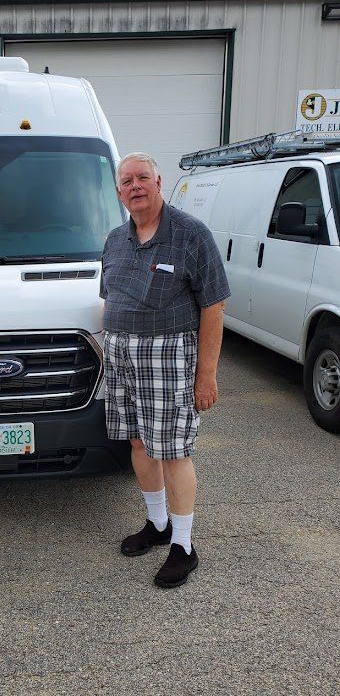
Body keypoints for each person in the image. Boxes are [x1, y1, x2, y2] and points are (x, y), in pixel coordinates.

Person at [100, 153, 230, 587]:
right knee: (139, 441)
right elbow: (110, 297)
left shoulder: (191, 235)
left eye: (142, 178)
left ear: (159, 181)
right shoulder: (115, 240)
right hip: (122, 356)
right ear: (119, 192)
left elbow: (213, 307)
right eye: (126, 181)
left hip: (169, 356)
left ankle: (184, 545)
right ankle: (157, 525)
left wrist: (206, 375)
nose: (135, 186)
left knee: (173, 449)